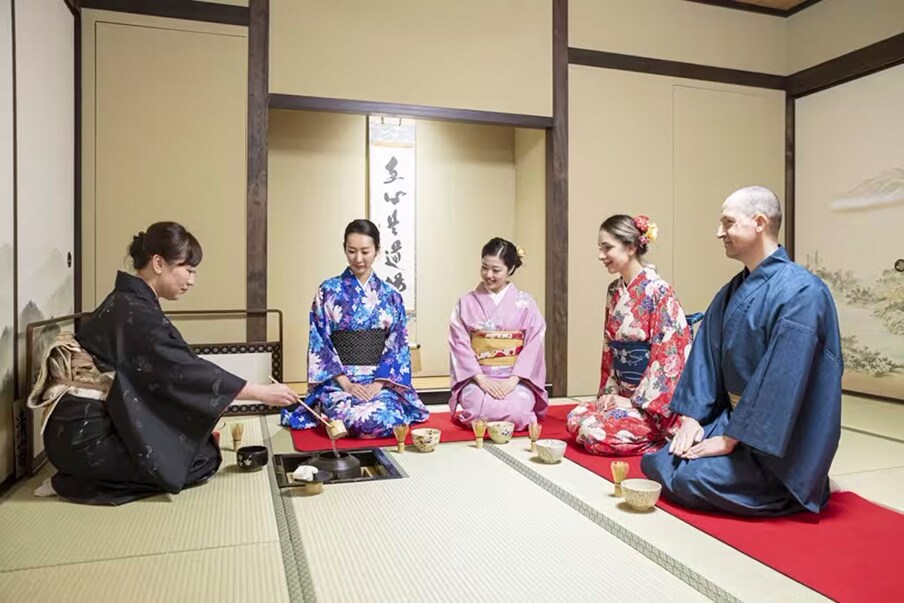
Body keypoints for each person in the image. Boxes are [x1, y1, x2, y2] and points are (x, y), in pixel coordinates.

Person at [29, 222, 297, 505]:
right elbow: (181, 371)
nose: (192, 280)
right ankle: (74, 483)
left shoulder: (128, 302)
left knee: (200, 448)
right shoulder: (134, 311)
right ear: (158, 263)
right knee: (200, 461)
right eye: (188, 270)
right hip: (85, 439)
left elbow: (166, 371)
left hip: (75, 431)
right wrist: (259, 392)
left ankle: (82, 475)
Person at [642, 186, 843, 516]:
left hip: (779, 439)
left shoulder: (803, 292)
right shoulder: (732, 290)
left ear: (760, 222)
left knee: (691, 479)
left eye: (728, 223)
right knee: (662, 461)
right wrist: (693, 418)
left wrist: (731, 439)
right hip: (735, 420)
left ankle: (800, 486)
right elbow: (705, 358)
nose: (719, 232)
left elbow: (783, 379)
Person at [281, 219, 429, 437]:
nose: (358, 259)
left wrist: (378, 384)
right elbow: (319, 342)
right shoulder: (328, 291)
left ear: (377, 250)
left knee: (385, 418)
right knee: (353, 419)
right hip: (340, 382)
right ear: (344, 249)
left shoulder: (390, 296)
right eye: (352, 251)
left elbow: (397, 346)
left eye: (365, 251)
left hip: (380, 382)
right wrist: (347, 384)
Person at [567, 215, 693, 455]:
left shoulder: (659, 290)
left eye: (607, 248)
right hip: (623, 397)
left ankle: (659, 436)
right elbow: (609, 348)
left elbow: (668, 356)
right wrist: (610, 394)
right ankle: (628, 424)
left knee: (593, 433)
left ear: (632, 247)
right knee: (576, 417)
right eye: (600, 248)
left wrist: (635, 401)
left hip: (650, 405)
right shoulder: (614, 291)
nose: (601, 255)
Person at [449, 238, 548, 430]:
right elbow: (459, 344)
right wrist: (482, 380)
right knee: (477, 410)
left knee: (518, 410)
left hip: (515, 379)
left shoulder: (526, 303)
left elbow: (534, 344)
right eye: (484, 268)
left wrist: (513, 380)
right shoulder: (466, 303)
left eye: (496, 270)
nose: (488, 275)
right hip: (478, 378)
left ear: (510, 269)